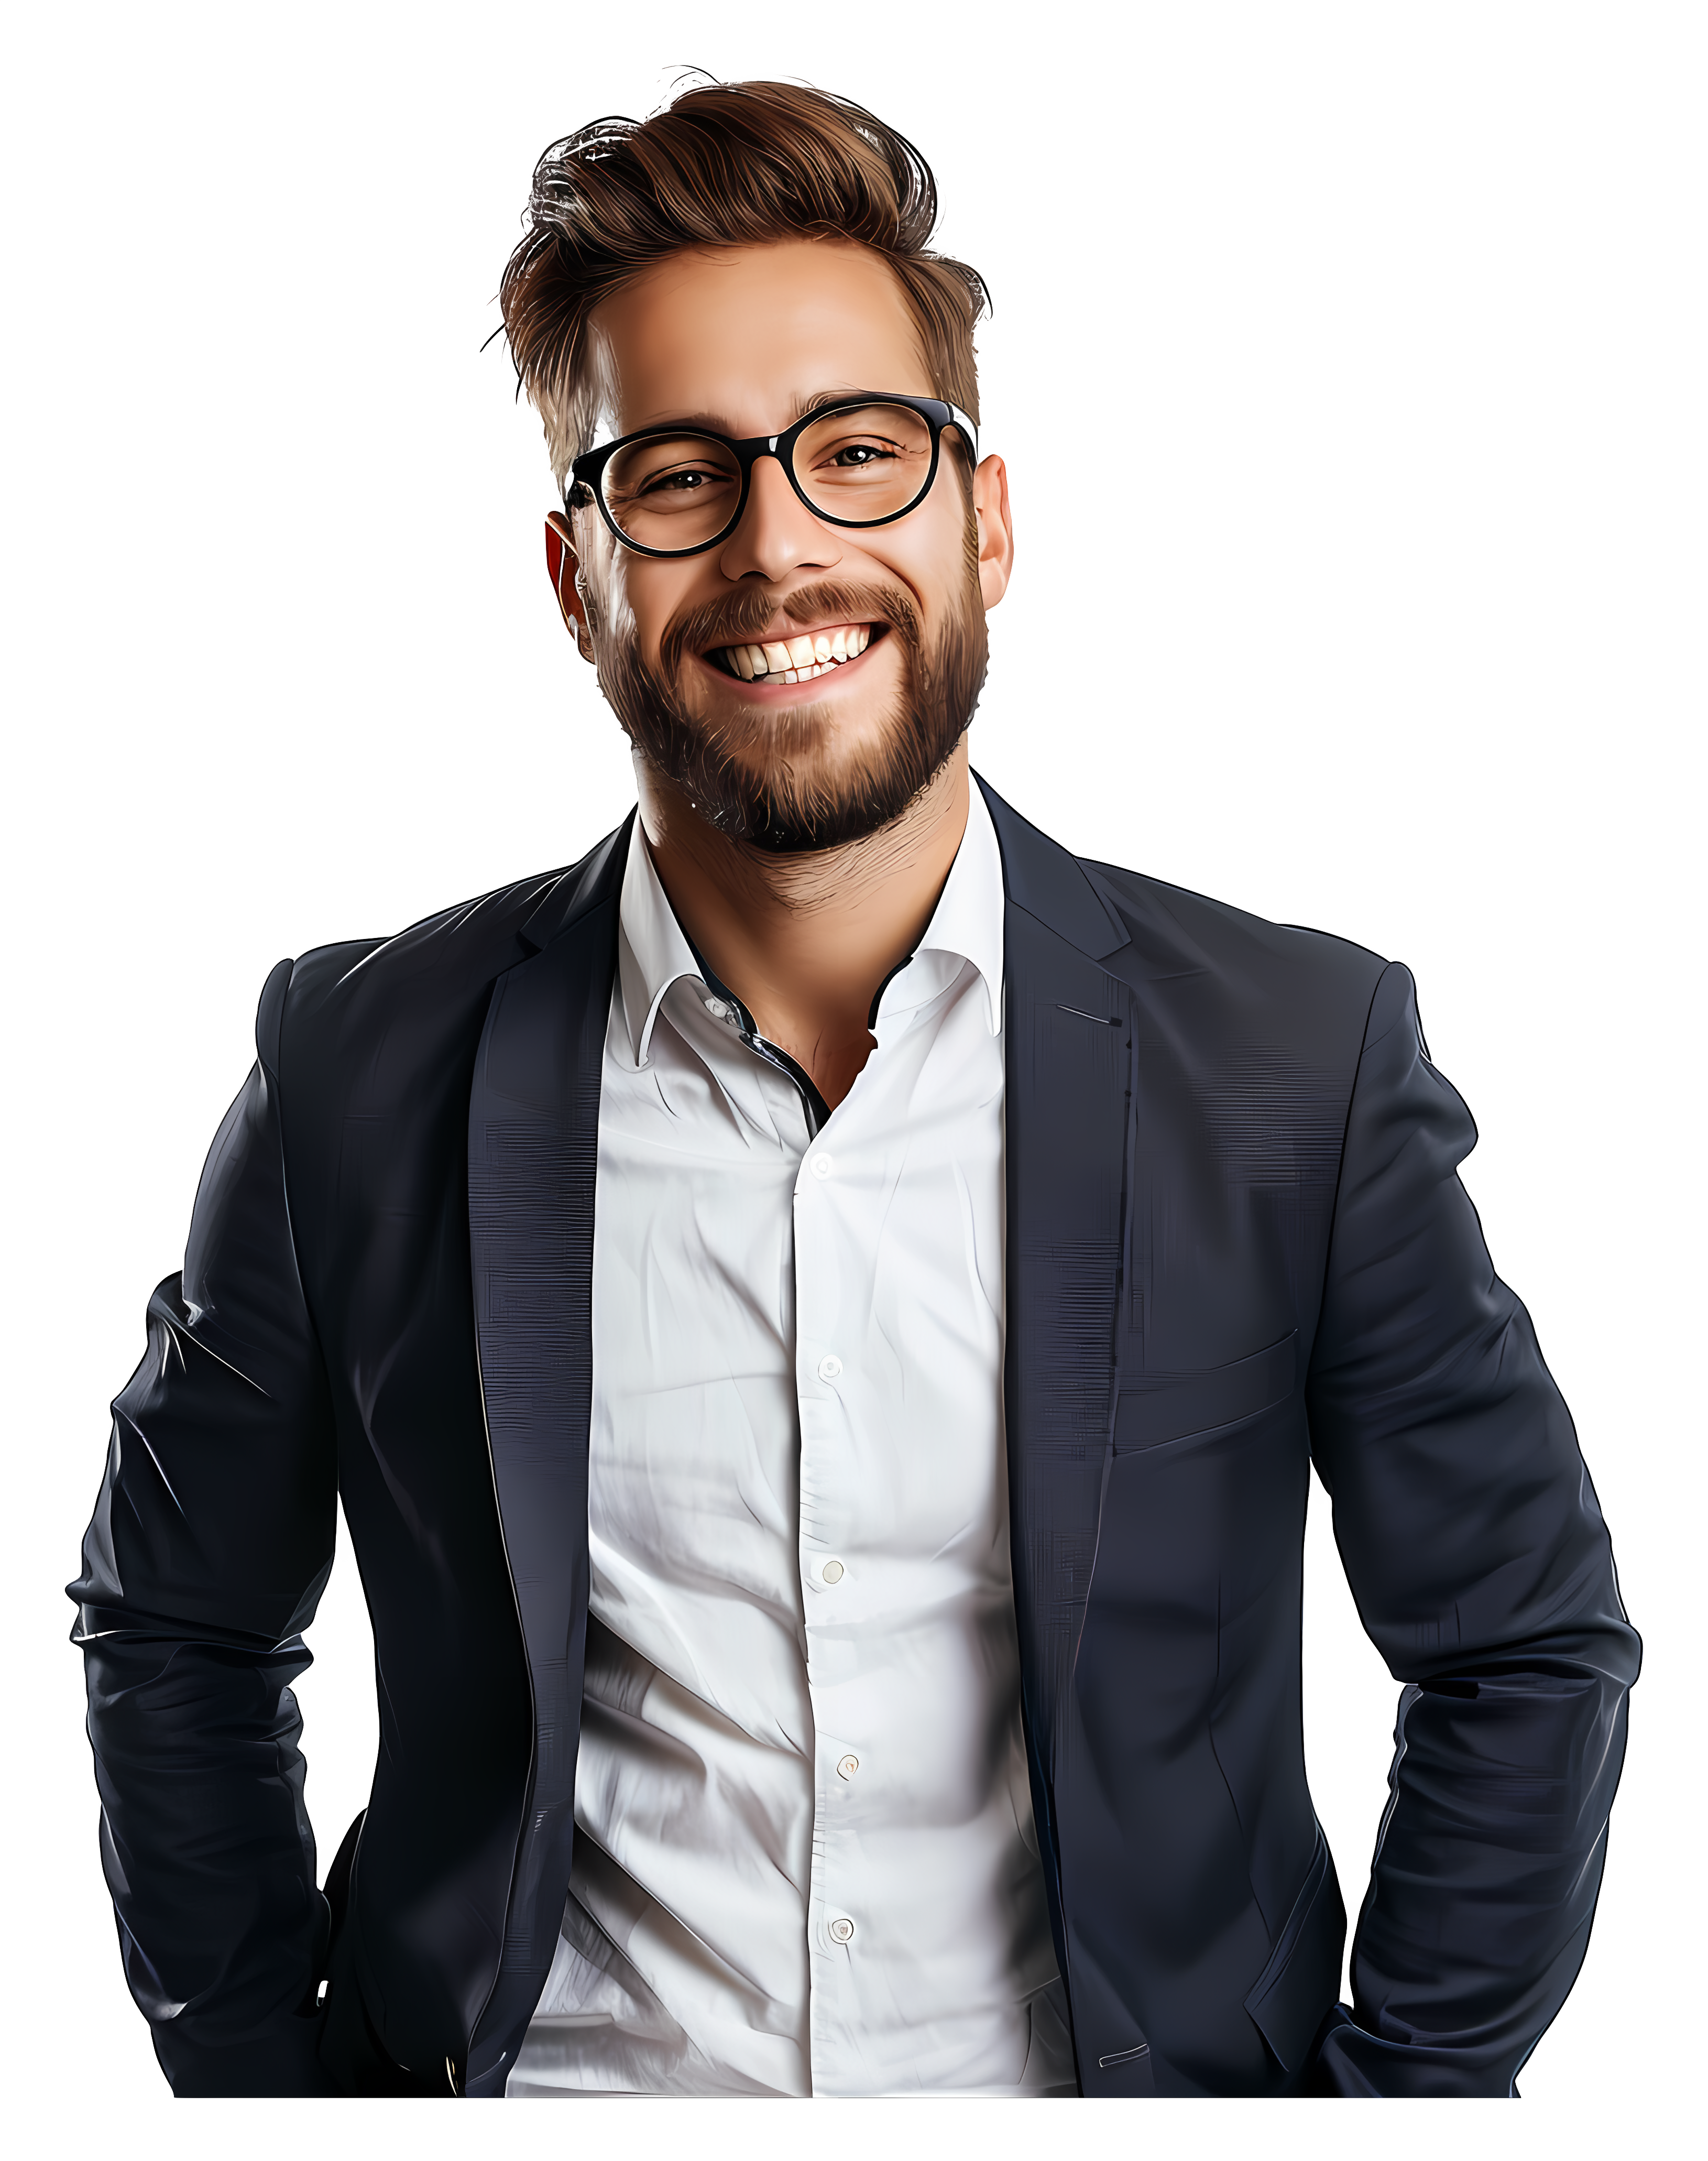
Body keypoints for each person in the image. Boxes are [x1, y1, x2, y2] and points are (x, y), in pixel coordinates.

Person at [71, 70, 1638, 2099]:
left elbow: (1519, 1643)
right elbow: (176, 1625)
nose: (778, 547)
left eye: (856, 453)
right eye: (677, 477)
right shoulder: (352, 1068)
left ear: (985, 523)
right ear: (576, 580)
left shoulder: (1295, 1059)